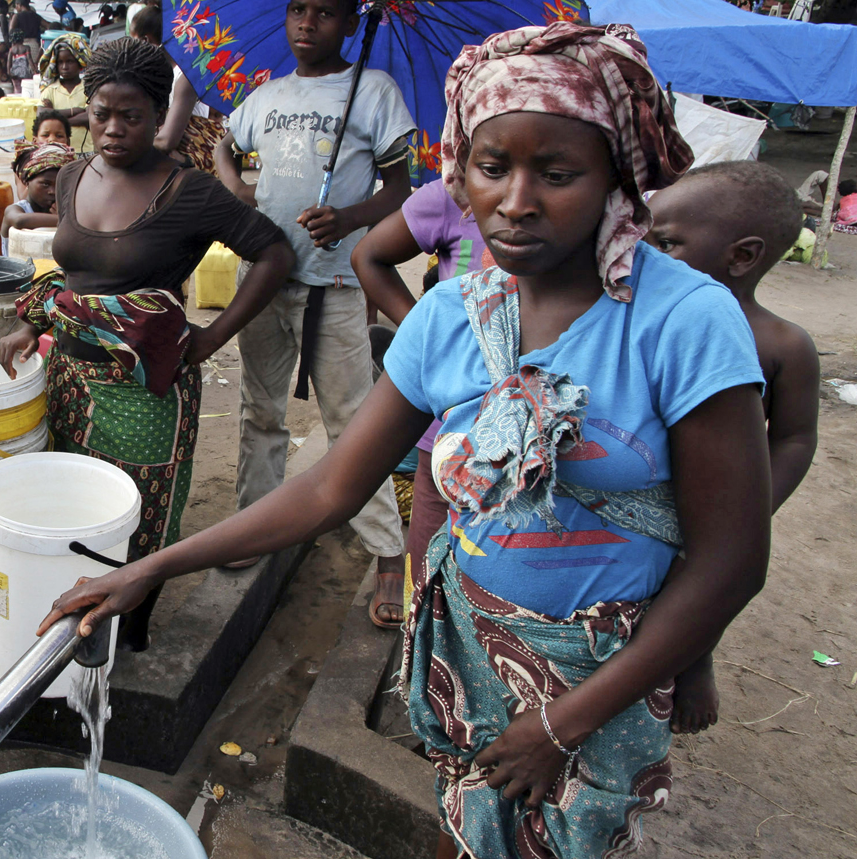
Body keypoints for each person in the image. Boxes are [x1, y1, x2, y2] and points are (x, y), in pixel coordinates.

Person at [46, 22, 774, 859]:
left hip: (600, 681)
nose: (518, 199)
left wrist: (562, 724)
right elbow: (327, 490)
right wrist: (150, 567)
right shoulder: (451, 317)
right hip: (465, 650)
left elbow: (730, 559)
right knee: (462, 827)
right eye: (492, 167)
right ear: (459, 171)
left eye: (560, 173)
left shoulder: (683, 320)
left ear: (620, 175)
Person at [0, 38, 295, 651]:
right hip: (69, 380)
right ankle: (70, 633)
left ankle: (130, 637)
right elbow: (79, 277)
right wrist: (34, 322)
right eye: (101, 113)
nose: (111, 129)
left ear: (160, 115)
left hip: (145, 393)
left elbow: (274, 253)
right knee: (72, 506)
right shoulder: (75, 173)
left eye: (130, 116)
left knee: (137, 520)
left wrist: (212, 336)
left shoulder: (189, 191)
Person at [214, 0, 415, 583]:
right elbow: (227, 145)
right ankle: (255, 521)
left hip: (333, 283)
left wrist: (351, 216)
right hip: (264, 279)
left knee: (352, 418)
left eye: (325, 13)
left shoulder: (373, 91)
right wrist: (237, 188)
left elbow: (400, 188)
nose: (307, 23)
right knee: (259, 410)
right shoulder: (268, 96)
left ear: (352, 24)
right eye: (298, 9)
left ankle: (384, 551)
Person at [644, 160, 821, 734]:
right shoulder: (642, 319)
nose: (645, 250)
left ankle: (694, 664)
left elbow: (794, 435)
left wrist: (753, 504)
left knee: (705, 585)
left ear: (741, 257)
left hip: (716, 502)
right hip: (640, 497)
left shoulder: (782, 343)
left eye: (666, 242)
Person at [351, 176, 491, 627]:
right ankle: (423, 631)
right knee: (430, 545)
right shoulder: (448, 199)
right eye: (492, 167)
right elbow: (368, 254)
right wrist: (425, 331)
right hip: (447, 427)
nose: (516, 202)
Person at [128, 1, 223, 172]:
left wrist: (124, 143)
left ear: (146, 40)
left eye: (133, 41)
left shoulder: (185, 75)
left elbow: (166, 142)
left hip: (194, 165)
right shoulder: (157, 76)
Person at [0, 139, 70, 253]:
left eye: (59, 185)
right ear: (27, 181)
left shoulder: (64, 209)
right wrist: (65, 220)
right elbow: (19, 221)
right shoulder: (17, 209)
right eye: (45, 184)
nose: (53, 191)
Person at [39, 32, 90, 153]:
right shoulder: (50, 90)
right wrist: (75, 111)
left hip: (85, 151)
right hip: (58, 151)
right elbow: (41, 115)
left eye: (70, 62)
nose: (64, 67)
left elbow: (89, 116)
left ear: (80, 63)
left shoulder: (89, 88)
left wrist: (56, 118)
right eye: (60, 62)